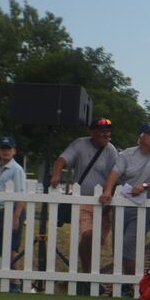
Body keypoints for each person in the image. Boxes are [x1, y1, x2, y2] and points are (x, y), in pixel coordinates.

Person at [99, 123, 150, 277]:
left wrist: (145, 185)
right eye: (149, 134)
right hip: (122, 203)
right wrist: (107, 191)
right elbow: (115, 173)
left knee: (129, 244)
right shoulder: (128, 153)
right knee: (118, 245)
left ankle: (128, 283)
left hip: (145, 206)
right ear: (141, 137)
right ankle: (119, 283)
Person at [50, 117, 118, 279]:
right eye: (102, 131)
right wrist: (56, 174)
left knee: (97, 240)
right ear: (92, 132)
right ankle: (87, 274)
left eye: (108, 131)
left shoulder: (111, 150)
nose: (106, 134)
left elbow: (115, 175)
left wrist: (110, 196)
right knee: (88, 235)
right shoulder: (79, 144)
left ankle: (91, 274)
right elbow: (61, 159)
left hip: (103, 203)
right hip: (82, 201)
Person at [0, 136, 27, 289]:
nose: (6, 151)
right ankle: (7, 279)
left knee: (11, 247)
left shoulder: (16, 169)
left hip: (12, 209)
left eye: (8, 149)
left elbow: (21, 194)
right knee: (2, 247)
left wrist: (16, 217)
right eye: (3, 148)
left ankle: (15, 281)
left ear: (14, 151)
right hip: (1, 210)